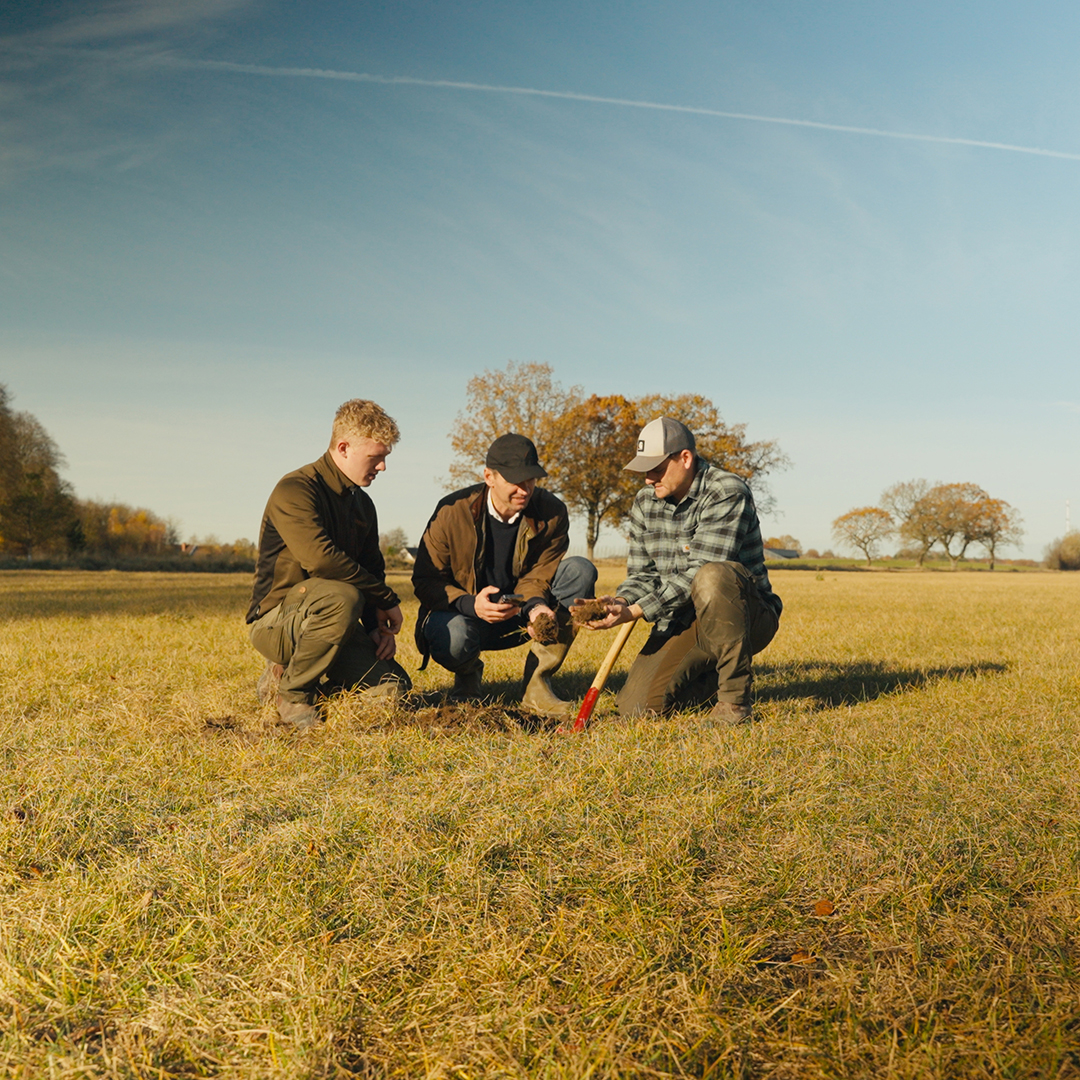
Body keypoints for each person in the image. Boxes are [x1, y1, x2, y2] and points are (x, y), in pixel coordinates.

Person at [576, 416, 781, 724]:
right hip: (682, 618)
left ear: (685, 458)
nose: (648, 478)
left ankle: (734, 702)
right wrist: (621, 602)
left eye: (656, 469)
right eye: (645, 469)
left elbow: (699, 572)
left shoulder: (726, 491)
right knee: (636, 708)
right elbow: (643, 575)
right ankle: (708, 680)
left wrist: (637, 611)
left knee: (712, 576)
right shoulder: (645, 502)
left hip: (745, 614)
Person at [246, 399, 410, 731]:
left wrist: (378, 627)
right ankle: (293, 694)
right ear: (344, 447)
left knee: (395, 690)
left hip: (335, 620)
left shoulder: (363, 505)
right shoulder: (295, 489)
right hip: (276, 623)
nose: (382, 467)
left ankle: (300, 679)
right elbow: (322, 562)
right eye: (376, 457)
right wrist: (386, 598)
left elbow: (371, 569)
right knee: (341, 596)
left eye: (385, 458)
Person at [412, 433, 597, 718]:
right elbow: (425, 581)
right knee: (457, 635)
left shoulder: (552, 511)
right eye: (515, 481)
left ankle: (537, 687)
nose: (525, 489)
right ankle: (467, 681)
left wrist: (537, 609)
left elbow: (540, 574)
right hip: (463, 618)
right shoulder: (451, 511)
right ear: (489, 477)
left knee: (580, 570)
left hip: (520, 615)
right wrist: (471, 604)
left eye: (531, 480)